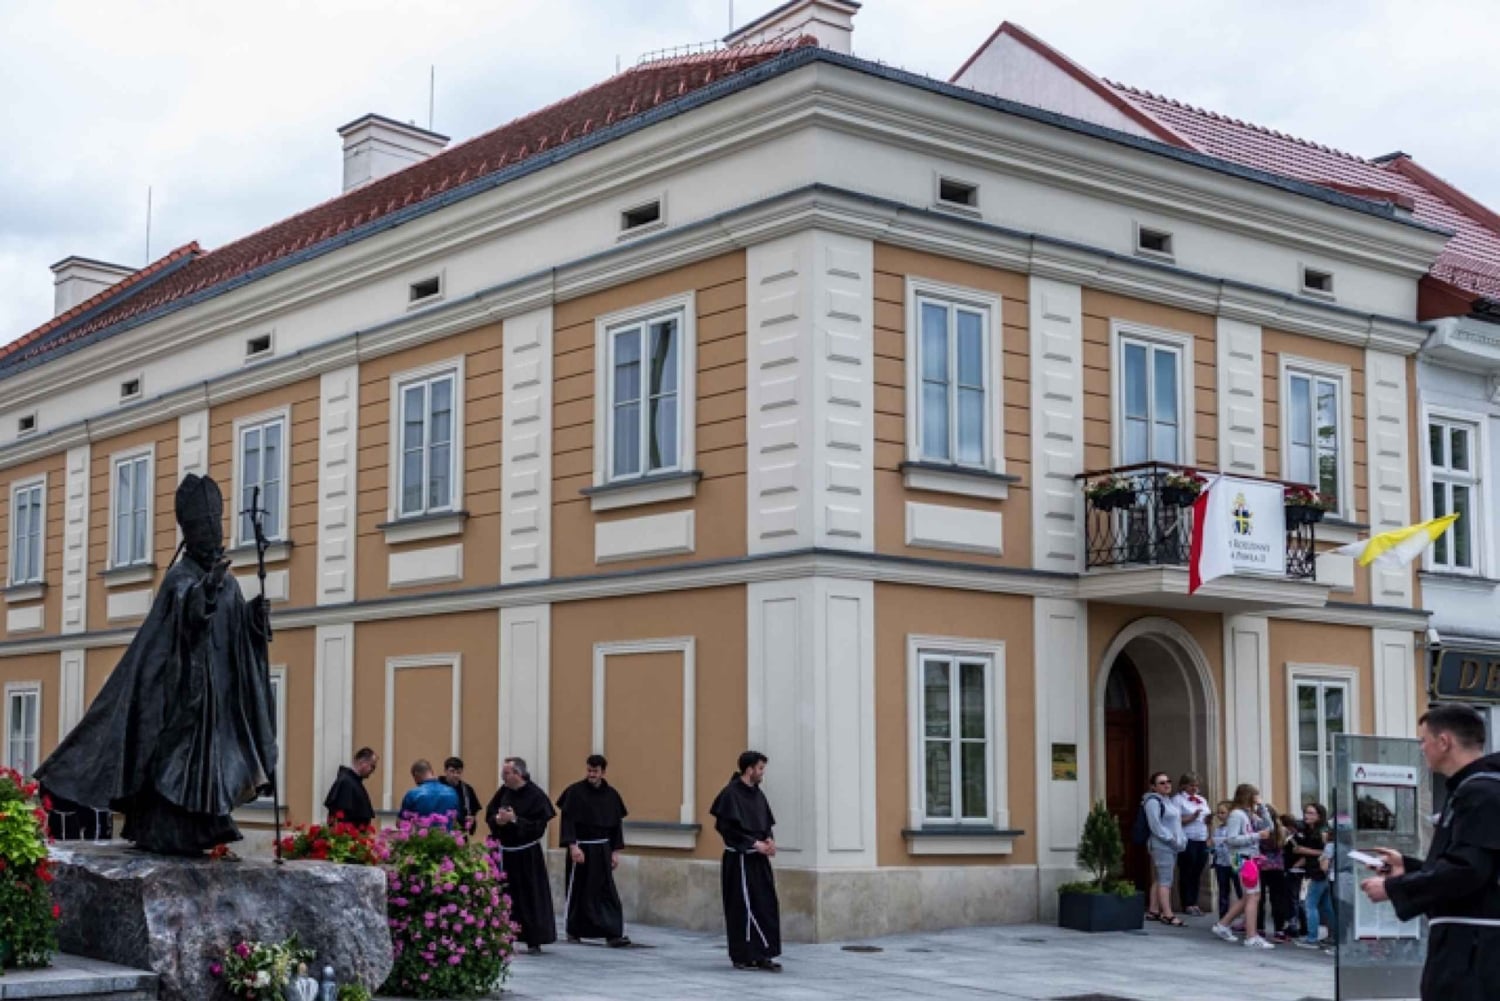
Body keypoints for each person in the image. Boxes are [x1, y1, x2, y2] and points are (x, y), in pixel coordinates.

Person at [34, 474, 277, 855]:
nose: (212, 540)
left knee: (212, 766)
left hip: (217, 703)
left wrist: (254, 619)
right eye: (205, 533)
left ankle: (206, 826)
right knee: (170, 764)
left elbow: (236, 636)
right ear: (192, 535)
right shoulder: (181, 576)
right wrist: (206, 592)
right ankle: (163, 825)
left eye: (215, 532)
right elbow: (186, 612)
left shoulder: (228, 583)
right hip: (182, 698)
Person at [1360, 706, 1500, 1000]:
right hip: (1470, 944)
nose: (1421, 747)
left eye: (1423, 740)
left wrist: (1393, 887)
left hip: (1474, 949)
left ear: (1444, 741)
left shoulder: (1481, 792)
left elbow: (1468, 871)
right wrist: (1408, 868)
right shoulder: (1472, 790)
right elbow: (1472, 863)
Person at [710, 750, 782, 972]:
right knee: (743, 907)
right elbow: (727, 828)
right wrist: (753, 844)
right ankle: (743, 955)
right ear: (749, 769)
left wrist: (769, 841)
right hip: (739, 860)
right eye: (760, 768)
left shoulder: (758, 794)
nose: (762, 773)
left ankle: (764, 953)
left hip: (759, 861)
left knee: (766, 904)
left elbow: (765, 823)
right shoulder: (730, 794)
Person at [555, 754, 631, 947]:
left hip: (603, 849)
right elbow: (568, 821)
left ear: (603, 772)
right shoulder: (574, 793)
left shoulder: (612, 795)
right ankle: (575, 930)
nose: (591, 775)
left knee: (605, 891)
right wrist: (573, 846)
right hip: (581, 849)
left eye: (595, 771)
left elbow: (616, 826)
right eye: (589, 770)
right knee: (579, 891)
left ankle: (613, 932)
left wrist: (615, 851)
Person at [486, 756, 557, 954]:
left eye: (506, 773)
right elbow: (490, 814)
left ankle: (534, 938)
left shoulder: (536, 795)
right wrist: (497, 821)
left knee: (529, 897)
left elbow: (538, 827)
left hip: (527, 855)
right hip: (506, 854)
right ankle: (504, 935)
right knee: (506, 896)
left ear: (518, 774)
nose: (503, 777)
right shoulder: (503, 792)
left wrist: (515, 820)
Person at [1211, 783, 1275, 949]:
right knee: (1253, 895)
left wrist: (1263, 809)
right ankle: (1251, 935)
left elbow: (1270, 827)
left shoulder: (1248, 814)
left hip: (1249, 857)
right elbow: (1231, 839)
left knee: (1250, 896)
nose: (1257, 799)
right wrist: (1256, 836)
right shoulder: (1237, 815)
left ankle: (1223, 925)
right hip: (1242, 857)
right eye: (1255, 796)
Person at [1142, 772, 1186, 925]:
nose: (1167, 784)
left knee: (1161, 878)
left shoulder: (1168, 801)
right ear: (1153, 787)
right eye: (1161, 783)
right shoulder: (1153, 802)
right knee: (1166, 880)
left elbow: (1176, 823)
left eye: (1168, 781)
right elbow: (1156, 826)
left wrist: (1181, 839)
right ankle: (1167, 914)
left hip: (1172, 845)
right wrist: (1172, 840)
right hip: (1162, 846)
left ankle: (1154, 910)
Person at [1172, 773, 1211, 916]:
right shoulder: (1178, 800)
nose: (1194, 788)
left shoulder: (1202, 800)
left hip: (1202, 838)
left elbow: (1206, 818)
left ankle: (1195, 902)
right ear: (1183, 785)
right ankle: (1186, 903)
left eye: (1196, 785)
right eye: (1191, 785)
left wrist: (1208, 820)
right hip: (1187, 839)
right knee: (1187, 871)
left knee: (1197, 871)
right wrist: (1192, 817)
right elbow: (1175, 821)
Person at [325, 748, 379, 828]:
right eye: (372, 766)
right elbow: (343, 817)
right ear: (362, 763)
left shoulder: (354, 781)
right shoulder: (346, 782)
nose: (372, 771)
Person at [399, 759, 461, 826]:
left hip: (422, 835)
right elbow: (454, 821)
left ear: (416, 775)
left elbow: (402, 823)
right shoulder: (452, 792)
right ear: (432, 772)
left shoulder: (413, 794)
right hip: (445, 835)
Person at [1209, 800, 1242, 920]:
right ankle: (1223, 918)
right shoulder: (1219, 829)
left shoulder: (1235, 828)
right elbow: (1214, 845)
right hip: (1221, 862)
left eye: (1223, 812)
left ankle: (1246, 917)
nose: (1219, 815)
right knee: (1223, 890)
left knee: (1240, 889)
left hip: (1235, 859)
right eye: (1218, 813)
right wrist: (1213, 845)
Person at [442, 756, 483, 834]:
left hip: (460, 833)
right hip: (441, 832)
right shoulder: (438, 787)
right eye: (452, 771)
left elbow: (473, 812)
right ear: (445, 771)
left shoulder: (467, 790)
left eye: (458, 772)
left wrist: (471, 820)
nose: (455, 775)